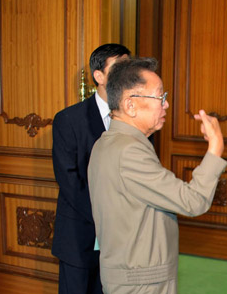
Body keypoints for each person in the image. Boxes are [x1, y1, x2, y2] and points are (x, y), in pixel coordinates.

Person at [87, 57, 227, 293]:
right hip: (141, 280)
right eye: (159, 97)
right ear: (130, 105)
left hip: (130, 271)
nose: (166, 105)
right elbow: (193, 201)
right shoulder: (129, 150)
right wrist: (215, 148)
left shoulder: (108, 142)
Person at [52, 43, 130, 294]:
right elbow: (69, 179)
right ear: (99, 76)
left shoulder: (135, 120)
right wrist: (104, 217)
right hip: (79, 233)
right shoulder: (68, 119)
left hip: (122, 238)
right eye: (120, 68)